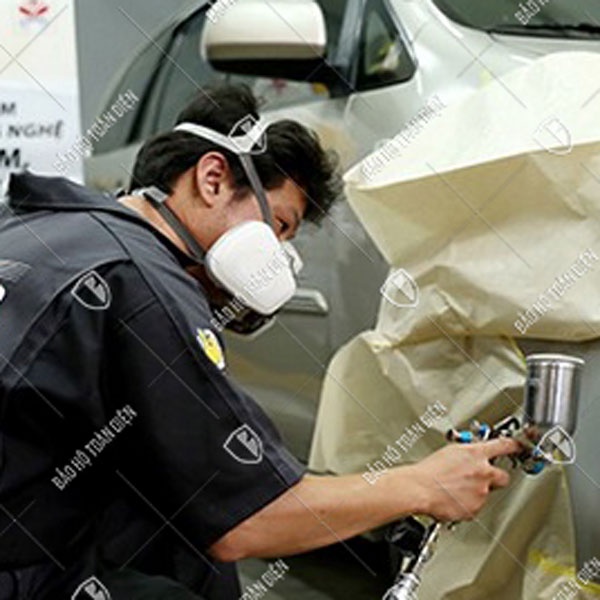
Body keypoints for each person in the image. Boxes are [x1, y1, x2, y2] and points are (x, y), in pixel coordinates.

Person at [0, 84, 519, 599]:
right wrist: (424, 486)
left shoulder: (39, 225)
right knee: (199, 560)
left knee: (175, 533)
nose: (279, 257)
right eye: (279, 225)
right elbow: (249, 521)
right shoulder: (144, 285)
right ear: (212, 179)